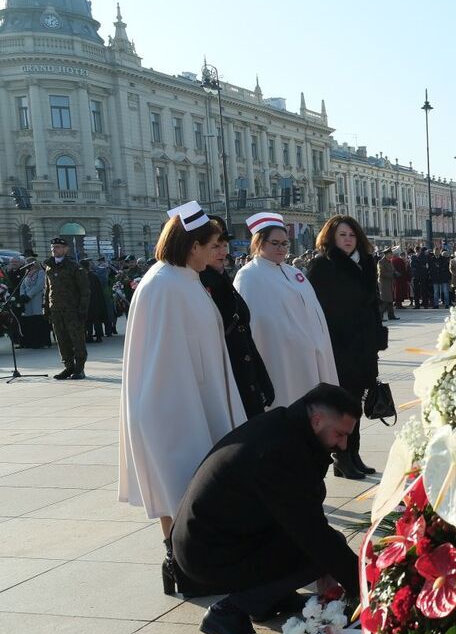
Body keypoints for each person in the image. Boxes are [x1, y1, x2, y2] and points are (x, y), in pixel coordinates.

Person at [172, 384, 363, 634]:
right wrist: (364, 587)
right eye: (340, 434)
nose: (343, 444)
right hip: (206, 553)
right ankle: (229, 612)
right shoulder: (280, 451)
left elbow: (305, 510)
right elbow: (311, 533)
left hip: (225, 535)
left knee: (324, 549)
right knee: (313, 554)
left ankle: (269, 599)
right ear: (317, 420)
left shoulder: (290, 430)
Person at [119, 202, 247, 595]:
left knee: (190, 491)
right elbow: (160, 362)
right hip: (173, 409)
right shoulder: (164, 285)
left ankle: (188, 565)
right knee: (176, 489)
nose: (219, 251)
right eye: (213, 243)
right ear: (192, 245)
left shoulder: (184, 278)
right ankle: (181, 568)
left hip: (191, 402)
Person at [234, 212, 339, 407]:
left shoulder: (294, 272)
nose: (281, 248)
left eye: (285, 243)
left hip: (312, 354)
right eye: (275, 243)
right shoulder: (249, 275)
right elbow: (255, 323)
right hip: (280, 358)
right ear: (259, 243)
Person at [306, 215, 382, 480]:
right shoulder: (322, 266)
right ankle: (341, 456)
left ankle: (354, 453)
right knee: (342, 405)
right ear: (331, 238)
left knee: (357, 402)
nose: (348, 240)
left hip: (363, 345)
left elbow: (373, 303)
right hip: (340, 346)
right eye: (342, 235)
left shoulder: (366, 264)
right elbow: (319, 309)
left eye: (351, 235)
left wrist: (378, 335)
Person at [200, 215, 274, 419]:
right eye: (215, 246)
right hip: (227, 380)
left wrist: (261, 377)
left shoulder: (222, 278)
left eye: (225, 245)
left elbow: (244, 334)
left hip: (244, 375)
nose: (223, 252)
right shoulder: (199, 283)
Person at [42, 236, 90, 379]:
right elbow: (47, 289)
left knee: (77, 340)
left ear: (66, 249)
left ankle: (79, 368)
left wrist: (82, 310)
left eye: (57, 247)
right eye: (52, 248)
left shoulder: (75, 267)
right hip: (56, 310)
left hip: (72, 310)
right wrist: (46, 307)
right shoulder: (49, 267)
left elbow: (85, 291)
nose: (54, 250)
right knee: (62, 340)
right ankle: (68, 367)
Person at [15, 259, 50, 348]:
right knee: (30, 321)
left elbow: (39, 285)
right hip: (27, 301)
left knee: (38, 320)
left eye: (28, 264)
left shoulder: (41, 272)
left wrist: (29, 295)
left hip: (37, 298)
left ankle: (42, 341)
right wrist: (22, 295)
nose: (27, 265)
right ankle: (32, 341)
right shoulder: (27, 273)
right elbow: (22, 285)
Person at [377, 246, 398, 319]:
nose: (392, 255)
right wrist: (392, 274)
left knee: (390, 300)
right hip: (384, 283)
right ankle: (379, 317)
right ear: (386, 254)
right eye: (390, 254)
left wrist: (396, 273)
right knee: (385, 301)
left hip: (389, 283)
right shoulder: (381, 262)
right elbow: (381, 273)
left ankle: (391, 315)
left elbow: (393, 270)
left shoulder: (390, 261)